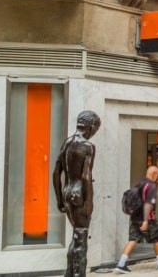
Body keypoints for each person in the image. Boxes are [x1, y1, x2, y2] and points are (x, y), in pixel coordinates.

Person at [52, 110, 101, 277]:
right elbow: (86, 176)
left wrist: (59, 198)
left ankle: (69, 273)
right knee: (81, 238)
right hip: (79, 194)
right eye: (95, 130)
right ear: (91, 127)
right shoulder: (88, 146)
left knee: (76, 236)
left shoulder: (67, 142)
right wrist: (89, 202)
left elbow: (56, 172)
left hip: (67, 193)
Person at [114, 166, 158, 272]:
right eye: (157, 174)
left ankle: (121, 264)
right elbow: (148, 204)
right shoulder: (150, 186)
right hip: (148, 219)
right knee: (157, 239)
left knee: (133, 239)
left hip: (135, 218)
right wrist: (145, 220)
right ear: (154, 174)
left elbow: (150, 199)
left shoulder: (141, 184)